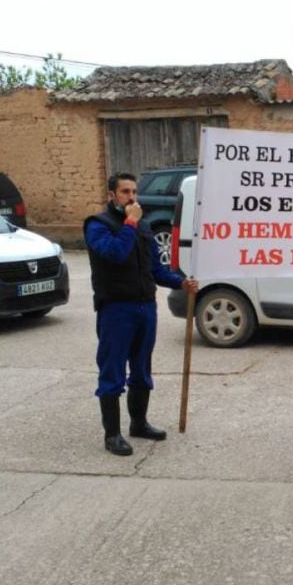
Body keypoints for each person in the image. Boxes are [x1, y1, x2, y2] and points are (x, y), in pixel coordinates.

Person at [84, 172, 198, 456]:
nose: (132, 197)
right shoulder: (98, 225)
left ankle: (139, 423)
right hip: (116, 309)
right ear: (111, 195)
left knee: (142, 368)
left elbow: (154, 269)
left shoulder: (144, 228)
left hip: (145, 307)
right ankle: (112, 434)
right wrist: (130, 222)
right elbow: (115, 253)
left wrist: (180, 282)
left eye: (134, 191)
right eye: (125, 192)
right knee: (112, 370)